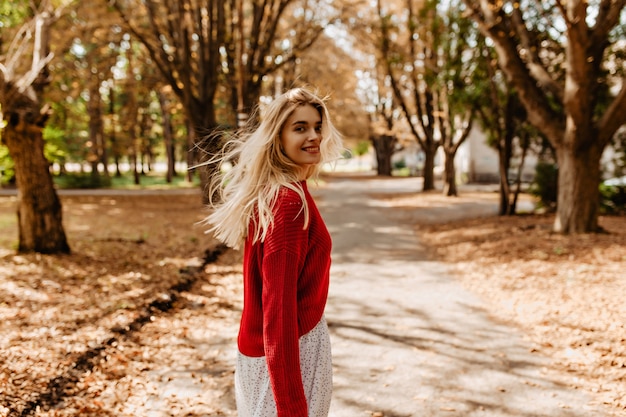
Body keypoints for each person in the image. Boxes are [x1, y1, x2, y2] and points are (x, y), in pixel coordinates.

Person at [204, 87, 344, 417]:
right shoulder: (288, 203)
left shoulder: (283, 192)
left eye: (318, 126)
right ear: (277, 137)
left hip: (273, 353)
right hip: (290, 354)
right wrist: (291, 408)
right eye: (300, 128)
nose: (314, 136)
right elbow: (277, 311)